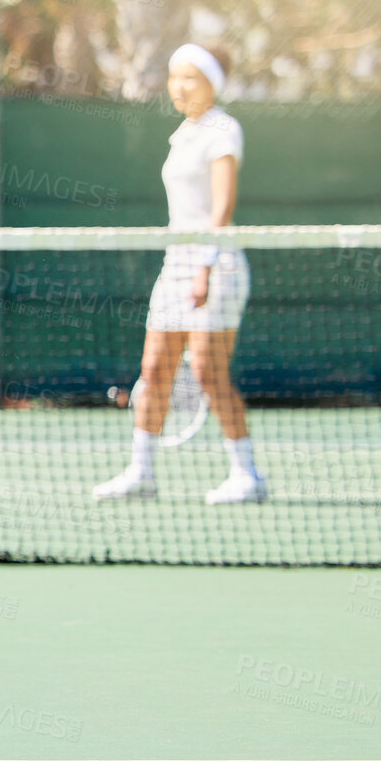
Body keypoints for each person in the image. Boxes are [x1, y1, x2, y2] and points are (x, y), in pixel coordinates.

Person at [93, 43, 266, 506]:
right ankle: (141, 472)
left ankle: (246, 474)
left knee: (210, 372)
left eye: (190, 77)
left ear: (213, 83)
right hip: (176, 267)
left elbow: (222, 208)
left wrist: (206, 265)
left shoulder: (223, 130)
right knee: (153, 371)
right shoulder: (182, 134)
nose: (179, 86)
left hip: (218, 265)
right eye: (174, 77)